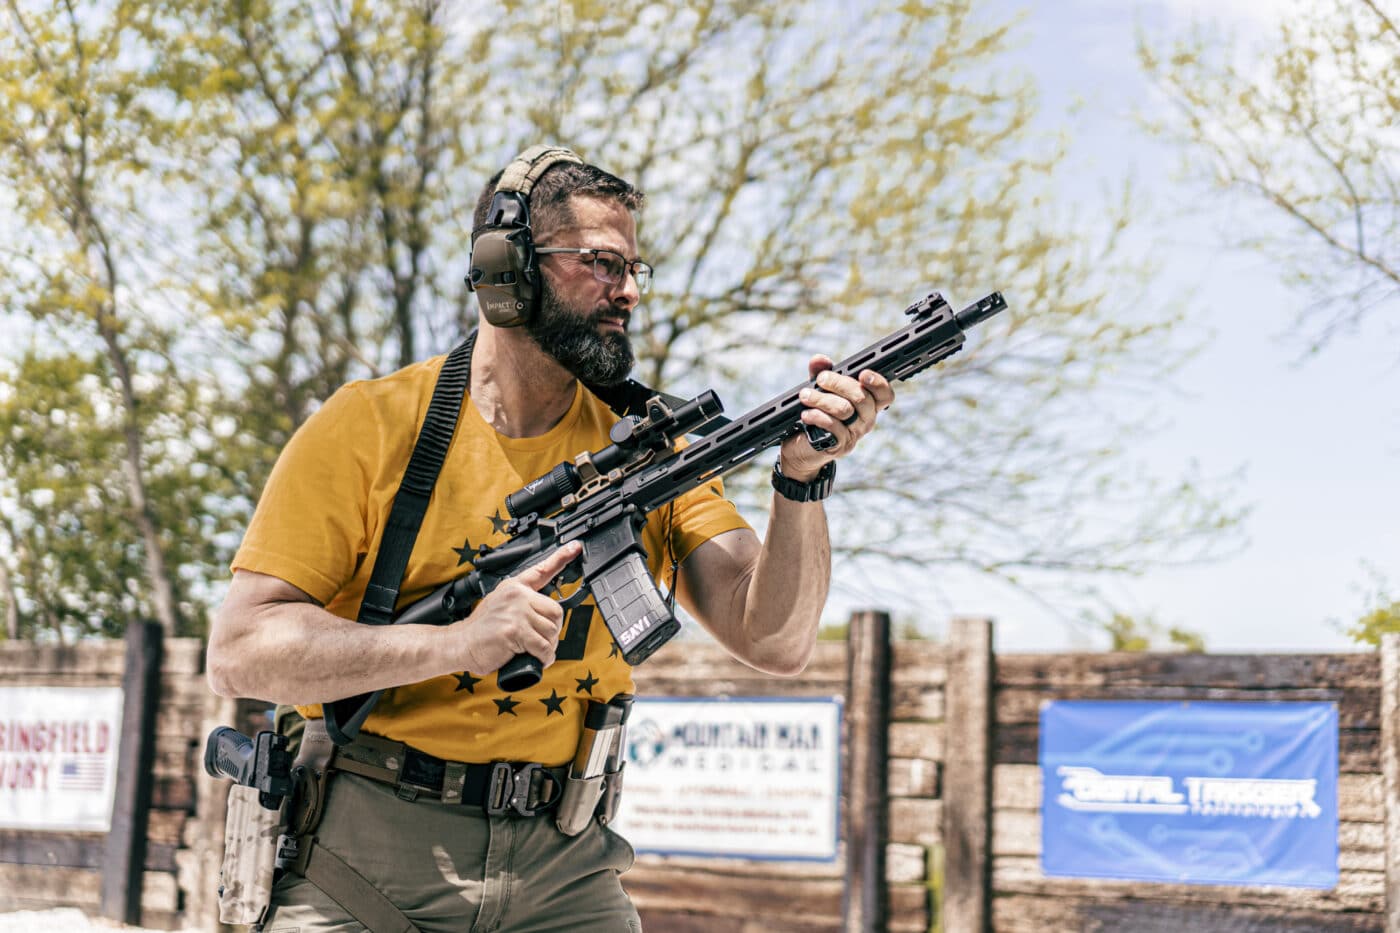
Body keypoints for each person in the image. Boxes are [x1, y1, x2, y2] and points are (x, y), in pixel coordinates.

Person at [205, 146, 894, 932]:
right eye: (601, 263)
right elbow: (241, 646)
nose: (628, 290)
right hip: (364, 857)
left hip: (567, 864)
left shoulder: (651, 448)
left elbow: (773, 637)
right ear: (509, 268)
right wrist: (456, 644)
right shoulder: (369, 426)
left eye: (635, 267)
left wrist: (801, 480)